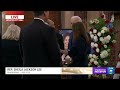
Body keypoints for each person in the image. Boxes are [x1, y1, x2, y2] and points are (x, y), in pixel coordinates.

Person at [19, 11, 61, 79]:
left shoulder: (24, 30)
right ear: (45, 13)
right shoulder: (48, 30)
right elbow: (55, 55)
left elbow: (21, 52)